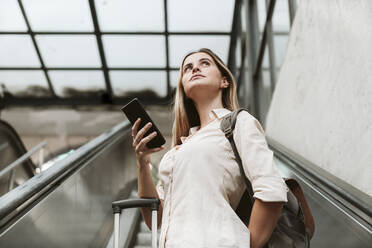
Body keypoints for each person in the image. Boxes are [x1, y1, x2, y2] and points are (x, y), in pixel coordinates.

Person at [131, 48, 288, 248]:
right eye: (187, 68)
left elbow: (271, 190)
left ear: (224, 81)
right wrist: (142, 163)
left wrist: (247, 245)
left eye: (205, 63)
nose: (195, 67)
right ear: (184, 89)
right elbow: (155, 219)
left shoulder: (239, 123)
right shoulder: (177, 151)